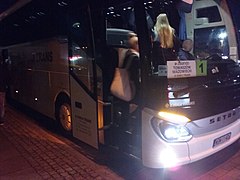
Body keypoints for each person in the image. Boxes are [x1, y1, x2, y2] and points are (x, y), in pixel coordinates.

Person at [0, 50, 8, 125]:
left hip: (2, 88)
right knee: (1, 104)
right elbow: (6, 77)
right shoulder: (4, 67)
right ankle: (1, 119)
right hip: (2, 88)